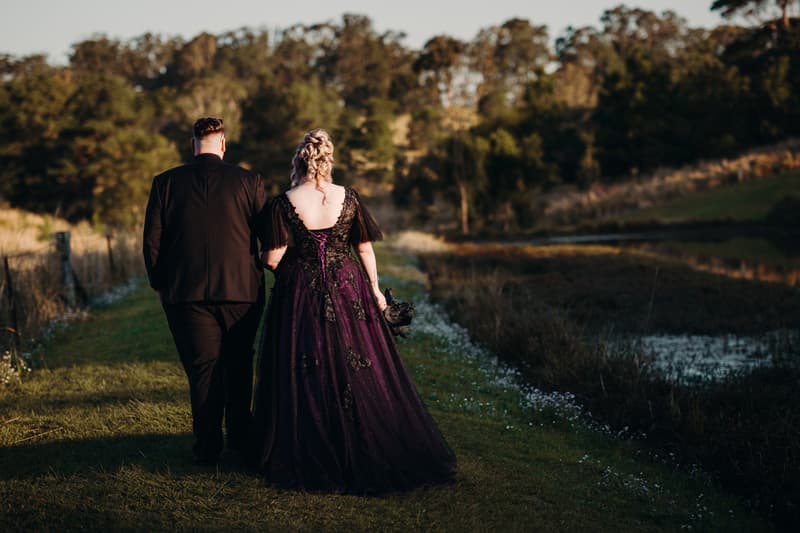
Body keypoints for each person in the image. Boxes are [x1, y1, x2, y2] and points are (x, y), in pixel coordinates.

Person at [249, 129, 456, 493]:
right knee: (355, 359)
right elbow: (364, 250)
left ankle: (315, 437)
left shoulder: (284, 203)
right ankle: (367, 438)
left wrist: (290, 266)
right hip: (349, 287)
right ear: (328, 160)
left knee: (306, 361)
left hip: (302, 289)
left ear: (300, 160)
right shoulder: (349, 197)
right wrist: (375, 290)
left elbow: (273, 258)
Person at [143, 117, 267, 465]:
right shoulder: (249, 181)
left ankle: (208, 448)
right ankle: (241, 440)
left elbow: (152, 242)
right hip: (242, 291)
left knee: (203, 369)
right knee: (240, 364)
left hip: (186, 293)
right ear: (223, 144)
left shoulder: (165, 183)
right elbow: (267, 236)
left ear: (192, 143)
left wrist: (160, 284)